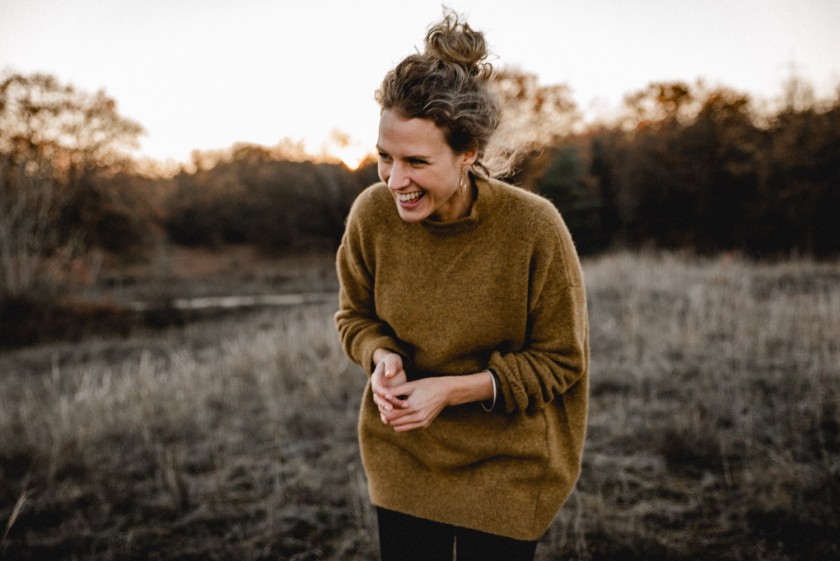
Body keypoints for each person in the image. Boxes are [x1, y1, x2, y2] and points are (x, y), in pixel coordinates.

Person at [335, 9, 589, 561]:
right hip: (404, 457)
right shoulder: (371, 215)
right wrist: (381, 357)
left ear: (468, 153)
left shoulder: (533, 228)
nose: (394, 180)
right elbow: (354, 317)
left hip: (509, 466)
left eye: (416, 162)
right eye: (384, 156)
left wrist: (451, 390)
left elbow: (562, 360)